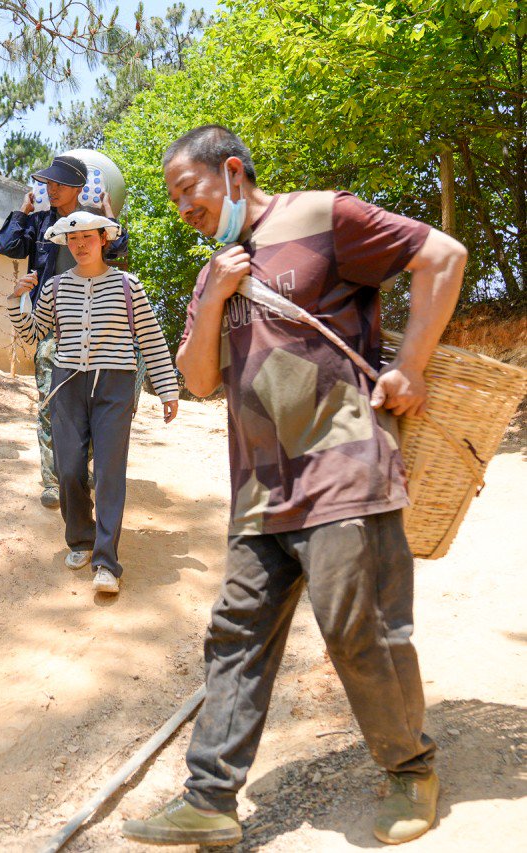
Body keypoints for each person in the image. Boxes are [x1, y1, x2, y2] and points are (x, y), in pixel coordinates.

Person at [122, 125, 467, 847]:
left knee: (359, 626)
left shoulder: (322, 217)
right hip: (258, 490)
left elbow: (441, 254)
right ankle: (210, 798)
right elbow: (197, 377)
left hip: (344, 468)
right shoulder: (215, 267)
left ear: (234, 171)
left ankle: (409, 768)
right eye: (172, 196)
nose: (181, 205)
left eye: (188, 189)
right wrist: (214, 291)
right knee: (234, 636)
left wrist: (411, 363)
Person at [7, 210, 179, 596]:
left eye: (87, 237)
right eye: (72, 239)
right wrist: (18, 299)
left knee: (108, 473)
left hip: (113, 386)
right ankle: (80, 539)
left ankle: (106, 561)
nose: (80, 245)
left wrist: (167, 390)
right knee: (68, 469)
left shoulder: (127, 286)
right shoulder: (54, 287)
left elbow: (151, 340)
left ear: (104, 239)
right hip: (67, 383)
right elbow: (35, 334)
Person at [0, 154, 129, 509]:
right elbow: (6, 246)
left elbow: (119, 250)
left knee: (86, 408)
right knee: (48, 405)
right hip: (51, 327)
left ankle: (78, 472)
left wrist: (110, 216)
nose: (50, 189)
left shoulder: (96, 223)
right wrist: (22, 211)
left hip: (95, 330)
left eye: (57, 184)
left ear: (78, 188)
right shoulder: (39, 223)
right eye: (47, 184)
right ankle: (54, 481)